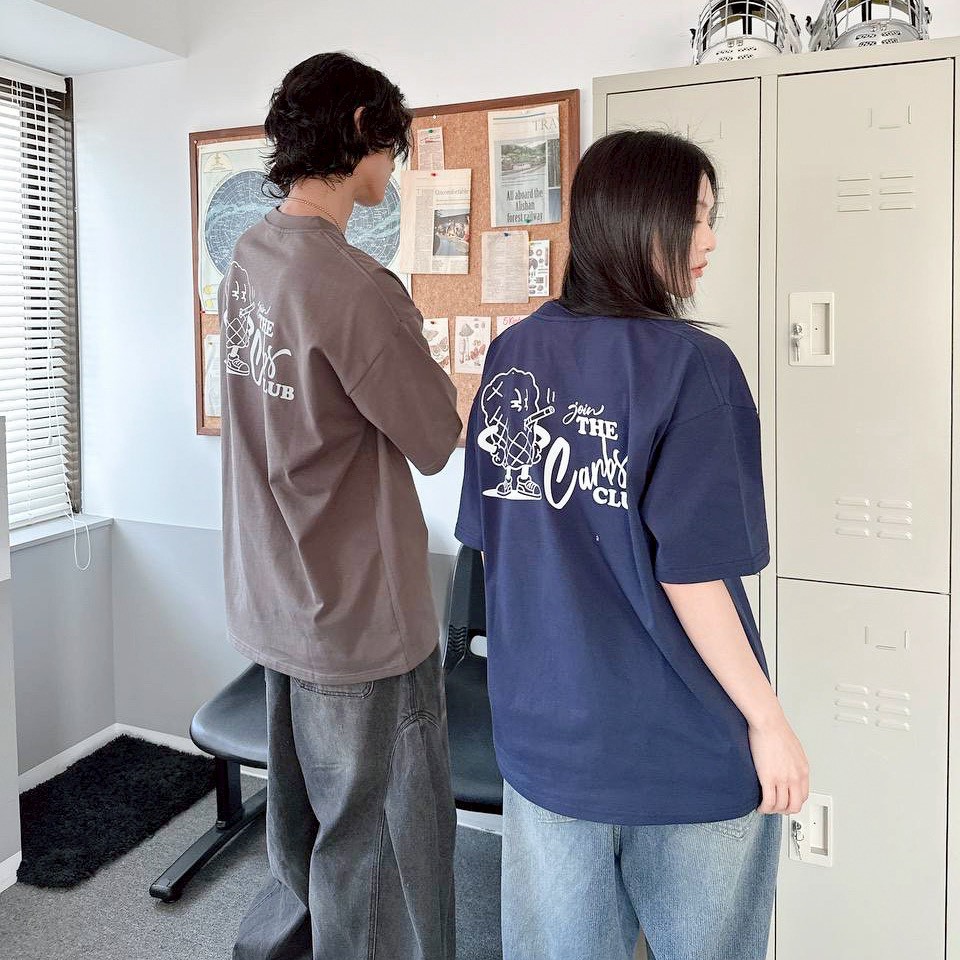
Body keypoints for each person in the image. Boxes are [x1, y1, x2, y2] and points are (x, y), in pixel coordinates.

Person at [455, 129, 809, 960]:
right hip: (680, 748)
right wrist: (769, 722)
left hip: (547, 743)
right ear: (643, 220)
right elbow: (693, 578)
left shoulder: (512, 355)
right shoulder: (696, 368)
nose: (710, 239)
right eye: (698, 216)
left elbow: (495, 546)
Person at [220, 52, 461, 960]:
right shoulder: (356, 286)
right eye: (392, 145)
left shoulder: (248, 258)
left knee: (305, 830)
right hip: (361, 619)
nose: (394, 166)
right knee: (382, 849)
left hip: (274, 598)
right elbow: (435, 436)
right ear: (362, 128)